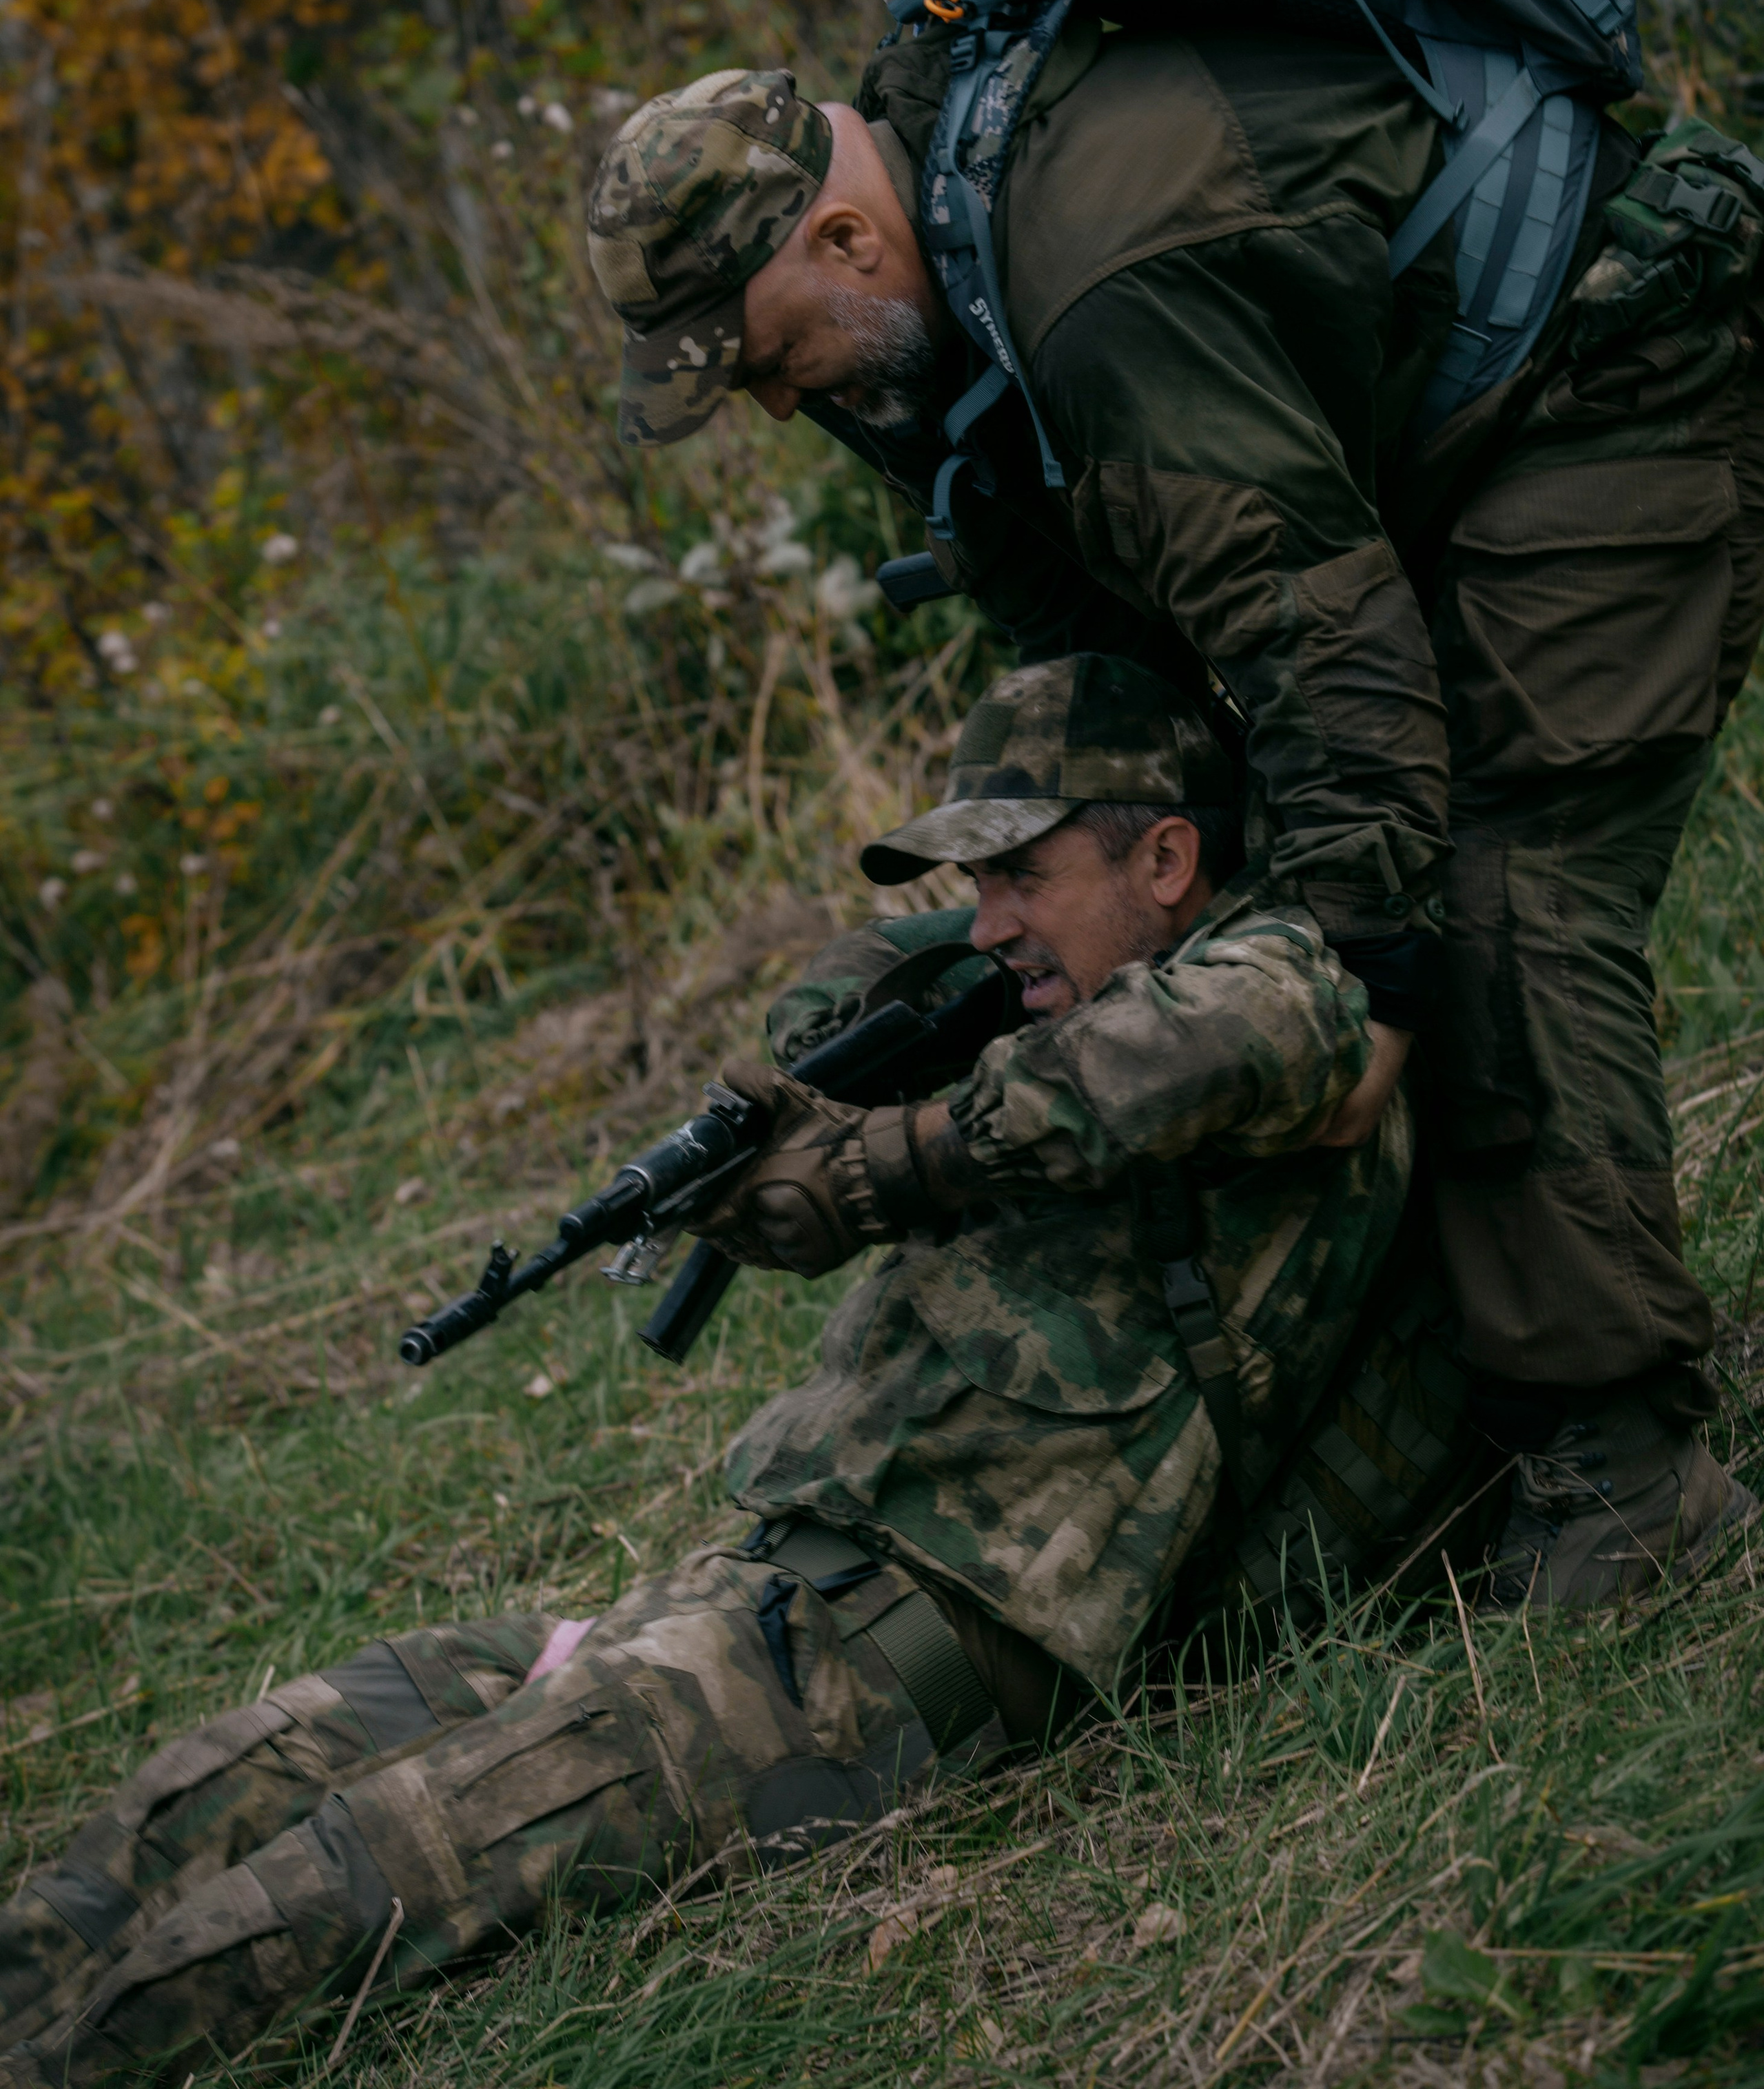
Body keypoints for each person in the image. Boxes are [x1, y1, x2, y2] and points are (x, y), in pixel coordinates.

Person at [1, 655, 1494, 2089]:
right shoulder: (1046, 1020)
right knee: (229, 1777)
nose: (984, 927)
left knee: (329, 1889)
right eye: (969, 888)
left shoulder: (1282, 1004)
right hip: (743, 1604)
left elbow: (1219, 1040)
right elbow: (847, 1003)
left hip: (881, 1668)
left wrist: (881, 1158)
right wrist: (850, 1061)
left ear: (1167, 858)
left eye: (1018, 876)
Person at [585, 38, 1764, 1603]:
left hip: (1611, 372)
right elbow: (1117, 687)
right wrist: (1021, 940)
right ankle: (1464, 1368)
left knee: (1480, 897)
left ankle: (1618, 1473)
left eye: (756, 358)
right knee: (1304, 874)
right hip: (1413, 443)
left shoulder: (1090, 289)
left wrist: (1350, 990)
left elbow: (1320, 647)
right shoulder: (932, 341)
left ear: (844, 241)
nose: (770, 405)